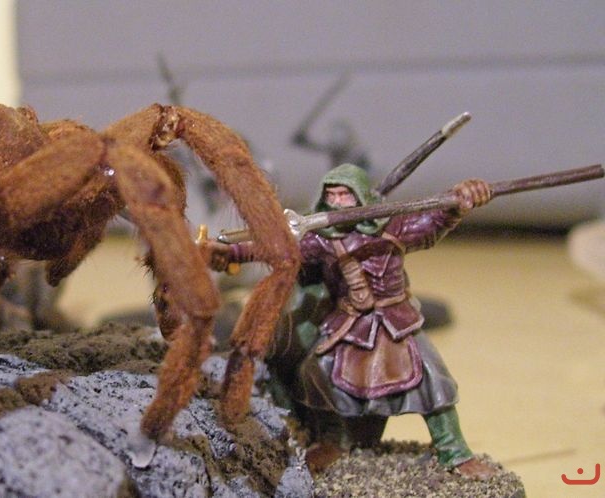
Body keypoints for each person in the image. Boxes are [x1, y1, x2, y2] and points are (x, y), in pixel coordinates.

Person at [205, 163, 496, 479]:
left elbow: (434, 221)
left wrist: (460, 201)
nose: (336, 202)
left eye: (344, 195)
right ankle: (335, 440)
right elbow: (278, 249)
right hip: (349, 323)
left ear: (360, 197)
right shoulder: (321, 239)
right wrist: (231, 253)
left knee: (433, 378)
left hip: (396, 322)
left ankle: (454, 451)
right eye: (331, 195)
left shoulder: (394, 228)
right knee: (316, 374)